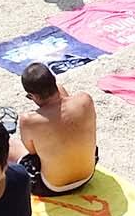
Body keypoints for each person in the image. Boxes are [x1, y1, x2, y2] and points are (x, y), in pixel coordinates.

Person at [10, 63, 97, 196]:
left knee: (9, 143)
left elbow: (32, 152)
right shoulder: (85, 100)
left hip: (52, 186)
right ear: (54, 81)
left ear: (32, 95)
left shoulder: (28, 120)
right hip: (87, 176)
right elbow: (64, 100)